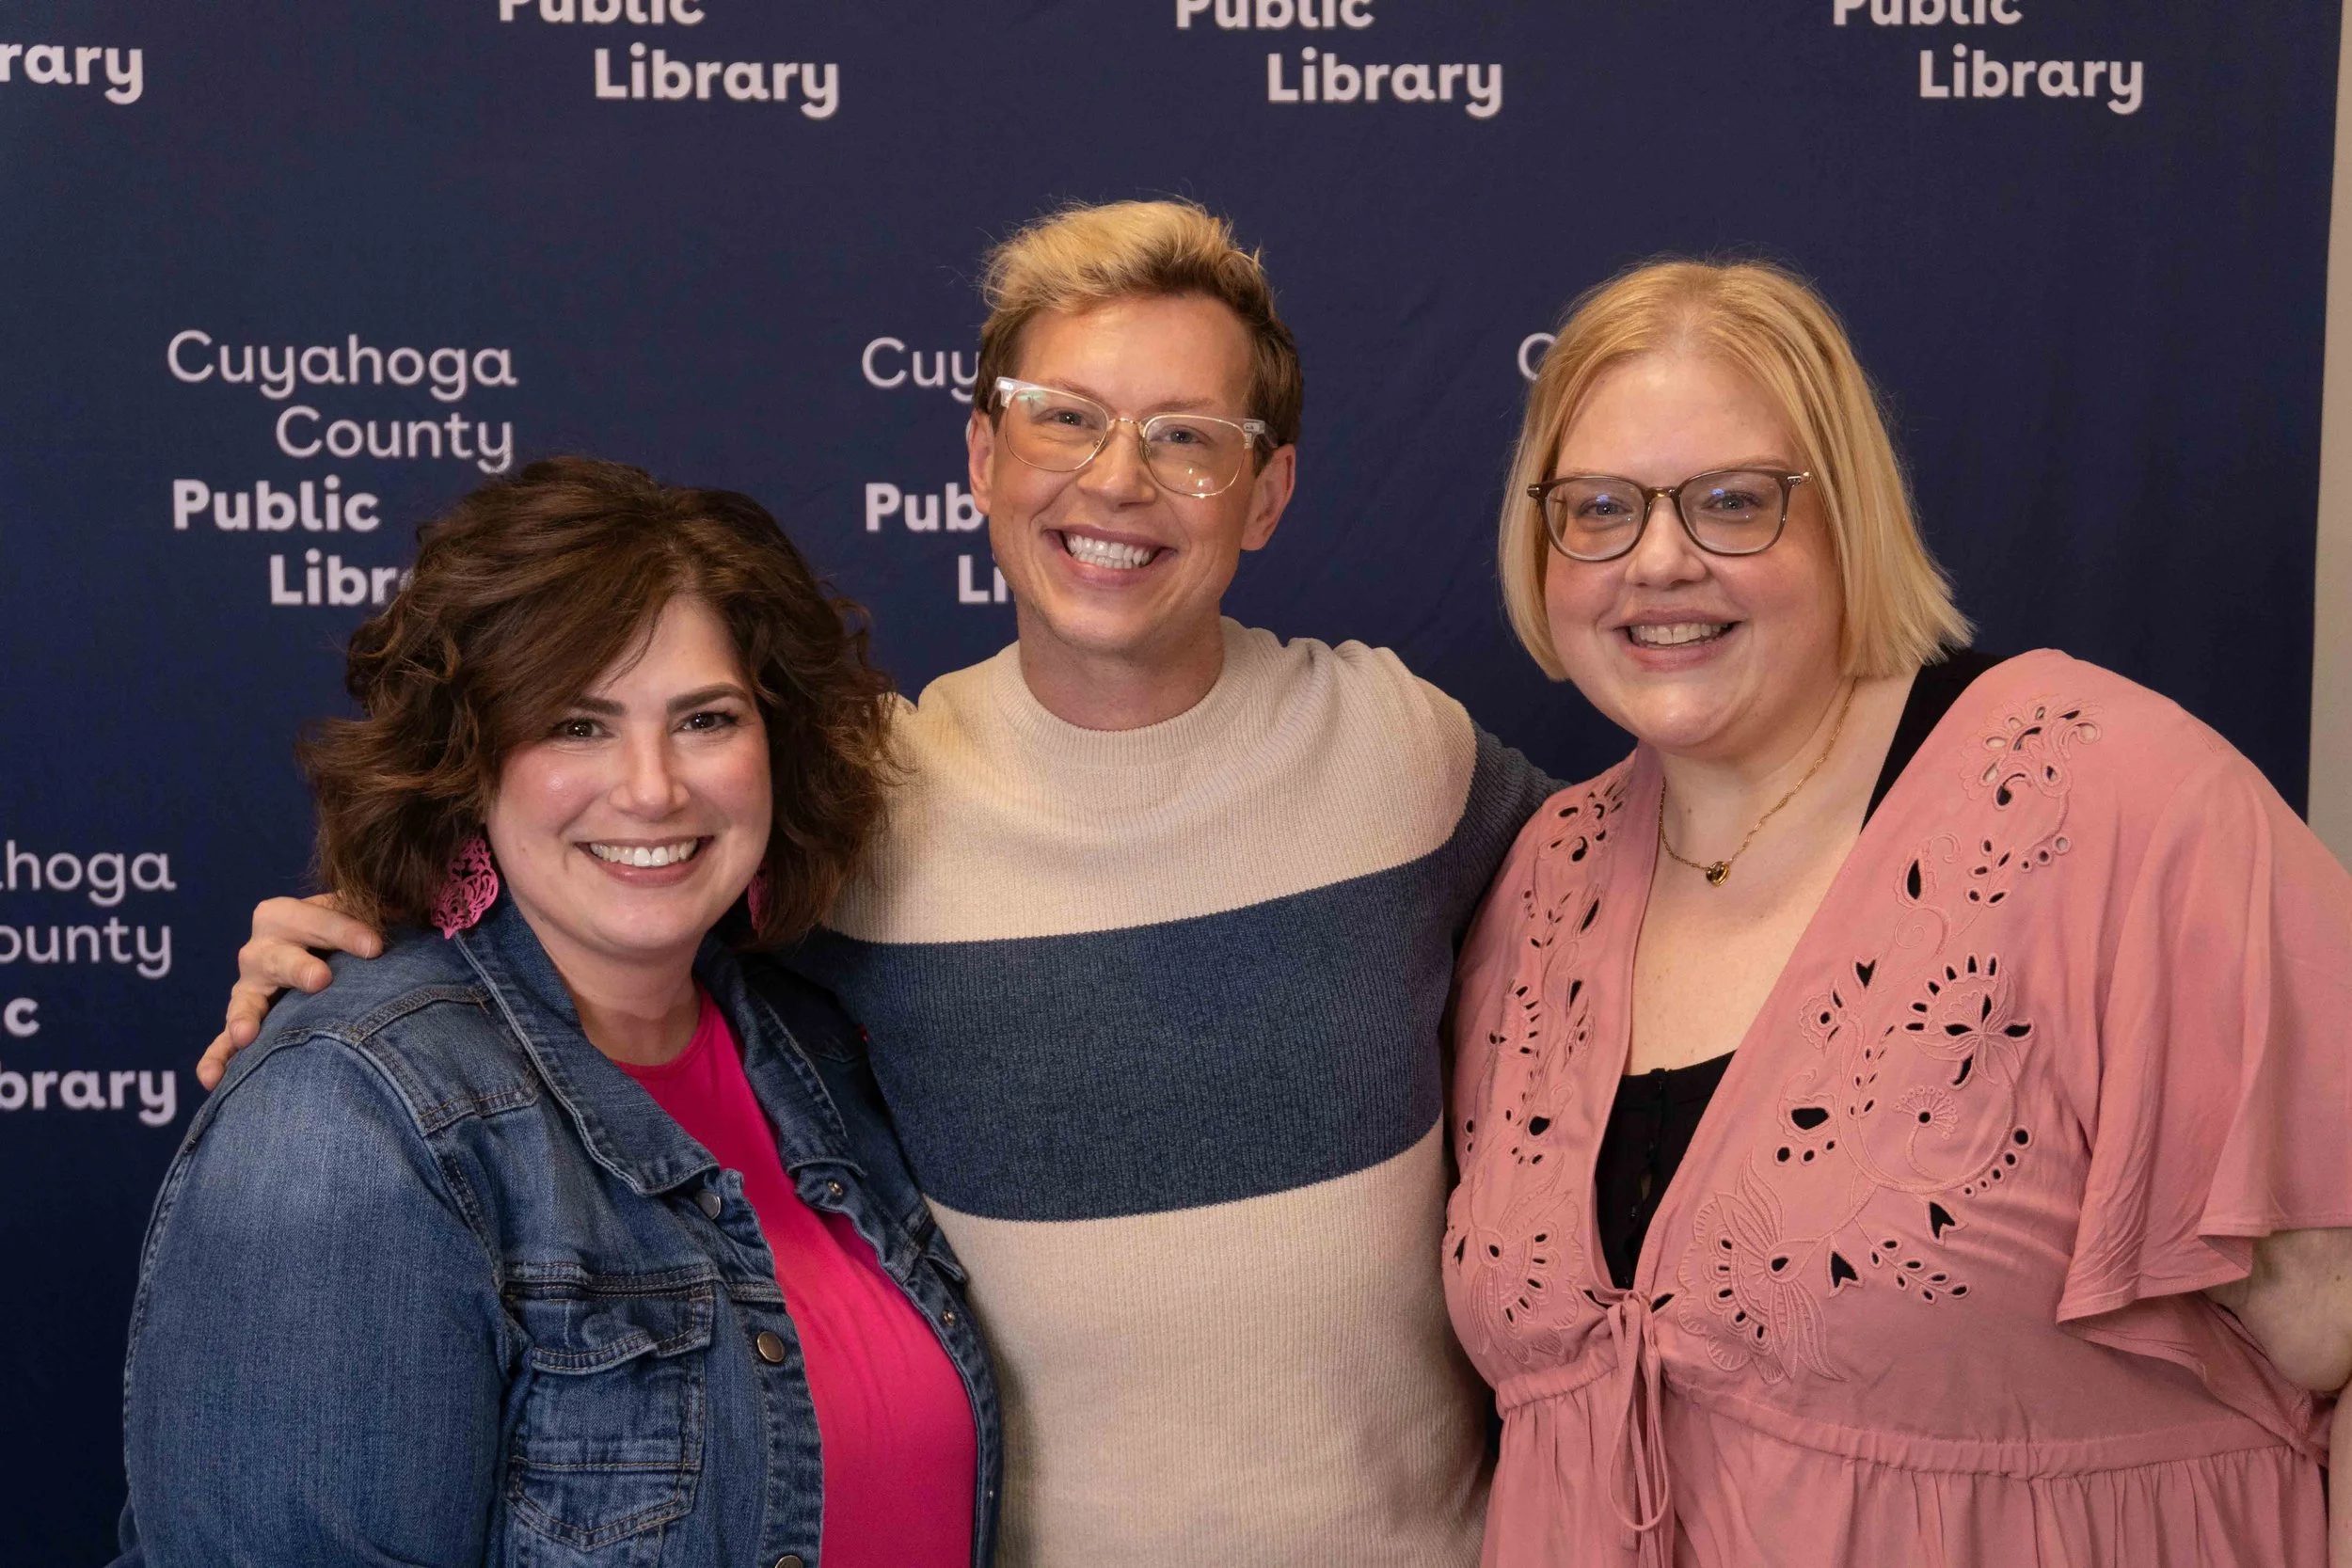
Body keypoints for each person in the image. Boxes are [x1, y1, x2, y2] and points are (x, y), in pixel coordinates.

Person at [199, 200, 1559, 1567]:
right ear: (982, 453)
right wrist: (369, 953)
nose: (1120, 479)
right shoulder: (865, 805)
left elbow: (1634, 889)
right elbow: (592, 902)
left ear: (1266, 493)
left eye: (1189, 436)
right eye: (1064, 416)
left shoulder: (1402, 747)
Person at [1445, 259, 2352, 1566]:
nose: (1658, 558)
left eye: (1734, 502)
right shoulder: (1543, 877)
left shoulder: (2118, 804)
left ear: (1847, 512)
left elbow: (2328, 1325)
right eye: (1596, 507)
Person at [119, 459, 999, 1568]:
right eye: (578, 724)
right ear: (467, 759)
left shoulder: (818, 1049)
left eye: (706, 717)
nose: (651, 788)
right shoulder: (347, 1115)